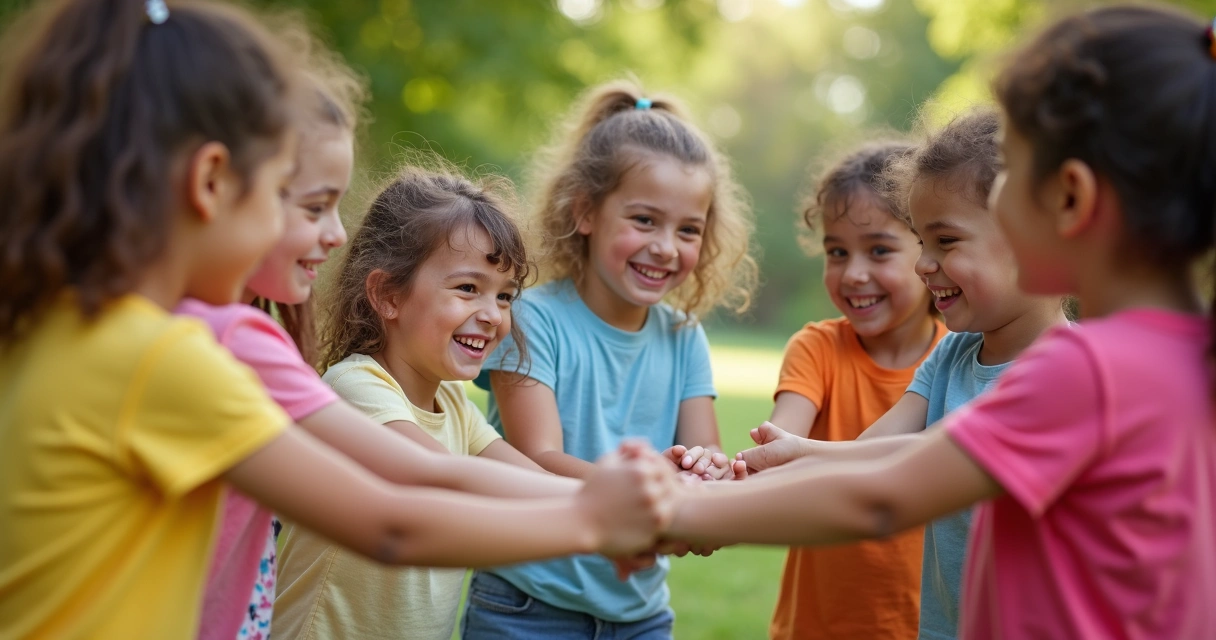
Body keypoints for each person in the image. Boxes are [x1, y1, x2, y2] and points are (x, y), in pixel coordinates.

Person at [0, 2, 677, 637]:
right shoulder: (159, 357)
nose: (321, 232)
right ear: (210, 182)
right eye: (281, 194)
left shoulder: (53, 327)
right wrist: (592, 519)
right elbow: (391, 524)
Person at [682, 6, 1216, 638]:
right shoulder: (1179, 356)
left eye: (1009, 178)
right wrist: (800, 456)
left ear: (1069, 196)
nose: (923, 262)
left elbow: (886, 494)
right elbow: (906, 455)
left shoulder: (1087, 371)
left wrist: (680, 515)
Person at [461, 80, 758, 639]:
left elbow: (706, 450)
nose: (666, 246)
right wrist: (651, 497)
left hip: (640, 615)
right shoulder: (531, 320)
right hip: (527, 606)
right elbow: (538, 456)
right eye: (644, 220)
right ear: (585, 212)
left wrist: (709, 477)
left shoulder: (683, 337)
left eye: (687, 229)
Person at [766, 141, 945, 640]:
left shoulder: (960, 357)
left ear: (928, 251)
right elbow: (779, 442)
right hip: (817, 627)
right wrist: (730, 474)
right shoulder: (818, 348)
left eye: (880, 250)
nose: (853, 273)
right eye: (837, 252)